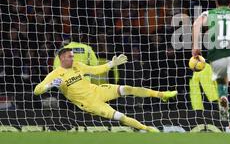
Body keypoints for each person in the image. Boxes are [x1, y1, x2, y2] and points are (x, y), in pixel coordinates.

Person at [34, 48, 177, 132]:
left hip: (97, 90)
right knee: (120, 116)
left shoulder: (78, 65)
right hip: (90, 104)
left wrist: (111, 63)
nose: (73, 58)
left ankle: (162, 94)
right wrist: (49, 85)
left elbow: (95, 70)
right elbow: (36, 90)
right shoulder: (54, 74)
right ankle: (147, 129)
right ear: (62, 58)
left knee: (127, 89)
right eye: (70, 56)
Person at [192, 0, 230, 122]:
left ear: (216, 2)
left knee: (222, 82)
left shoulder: (209, 13)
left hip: (216, 55)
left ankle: (223, 101)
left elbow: (196, 24)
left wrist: (195, 46)